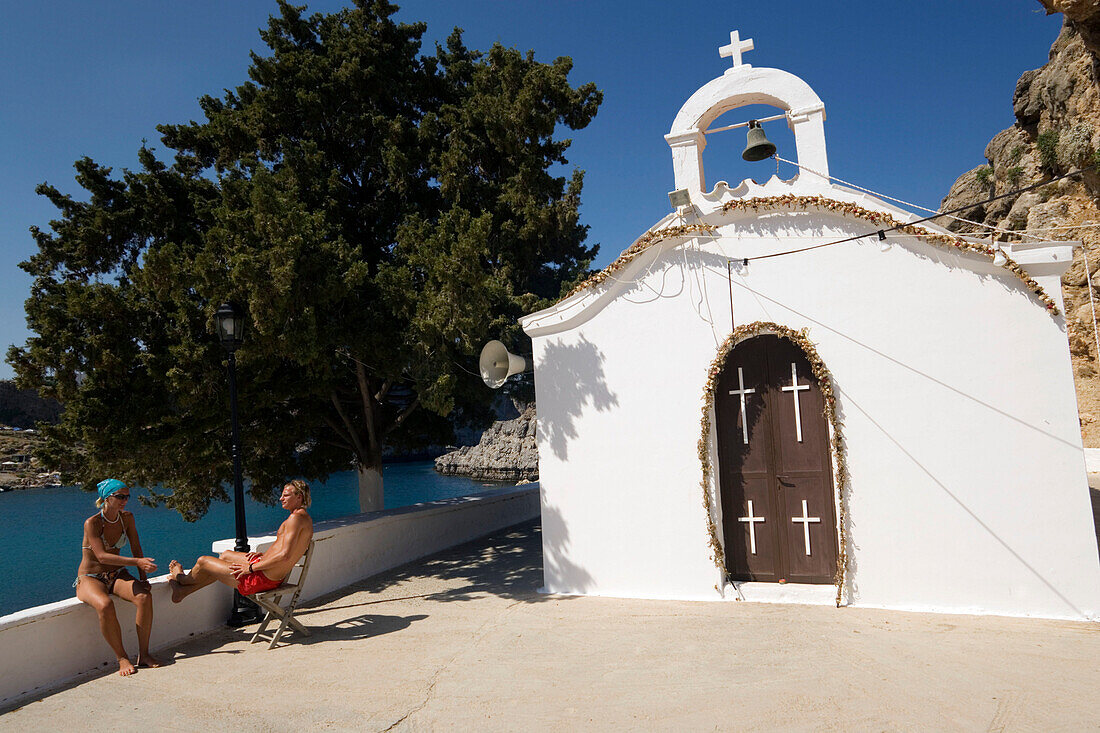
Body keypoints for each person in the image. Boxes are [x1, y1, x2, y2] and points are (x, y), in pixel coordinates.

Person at [169, 480, 313, 603]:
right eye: (282, 495)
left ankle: (181, 579)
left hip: (263, 578)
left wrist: (250, 568)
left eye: (286, 495)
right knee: (225, 555)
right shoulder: (301, 517)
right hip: (268, 570)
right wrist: (263, 556)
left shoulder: (295, 519)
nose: (281, 498)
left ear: (299, 497)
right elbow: (283, 550)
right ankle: (182, 593)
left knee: (203, 562)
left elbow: (285, 556)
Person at [75, 478, 161, 676]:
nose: (125, 500)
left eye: (127, 496)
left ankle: (144, 655)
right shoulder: (93, 523)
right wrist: (138, 563)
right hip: (90, 577)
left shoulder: (127, 518)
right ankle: (122, 658)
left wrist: (143, 578)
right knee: (105, 605)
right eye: (120, 496)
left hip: (117, 574)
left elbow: (136, 547)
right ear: (106, 497)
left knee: (144, 597)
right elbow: (101, 556)